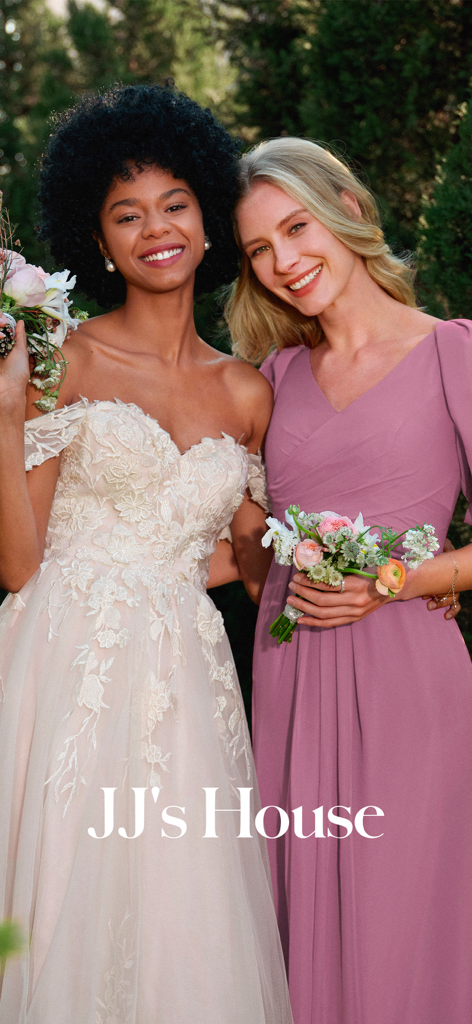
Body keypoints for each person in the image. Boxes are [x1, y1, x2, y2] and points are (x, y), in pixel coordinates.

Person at [0, 85, 293, 1024]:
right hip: (63, 663)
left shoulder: (249, 392)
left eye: (175, 204)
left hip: (188, 681)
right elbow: (16, 562)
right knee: (57, 898)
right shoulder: (64, 361)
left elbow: (241, 560)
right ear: (99, 238)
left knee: (183, 913)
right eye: (126, 213)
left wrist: (391, 581)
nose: (154, 229)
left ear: (209, 220)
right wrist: (6, 419)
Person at [227, 136, 472, 1024]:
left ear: (351, 212)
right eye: (260, 249)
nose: (285, 262)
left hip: (412, 689)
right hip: (291, 686)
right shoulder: (272, 379)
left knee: (402, 930)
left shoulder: (454, 353)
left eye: (296, 228)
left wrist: (406, 578)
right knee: (297, 937)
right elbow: (244, 545)